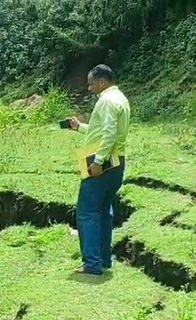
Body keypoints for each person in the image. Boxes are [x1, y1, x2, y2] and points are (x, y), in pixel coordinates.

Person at [67, 64, 130, 276]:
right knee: (104, 211)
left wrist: (98, 162)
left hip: (102, 160)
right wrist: (80, 128)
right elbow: (102, 130)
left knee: (87, 212)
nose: (89, 88)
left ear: (102, 81)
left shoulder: (106, 101)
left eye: (91, 83)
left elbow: (109, 134)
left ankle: (92, 265)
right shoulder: (120, 98)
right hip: (118, 161)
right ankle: (104, 260)